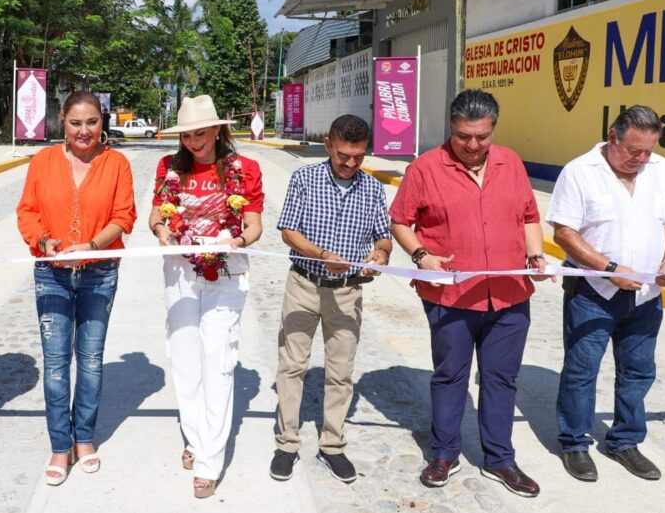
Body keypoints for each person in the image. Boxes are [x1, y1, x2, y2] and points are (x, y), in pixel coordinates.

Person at [389, 89, 549, 498]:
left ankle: (500, 458)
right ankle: (444, 453)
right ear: (451, 129)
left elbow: (529, 215)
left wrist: (535, 254)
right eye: (464, 137)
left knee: (501, 378)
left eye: (482, 136)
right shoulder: (424, 168)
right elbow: (400, 222)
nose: (473, 145)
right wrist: (422, 256)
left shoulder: (510, 162)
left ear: (493, 129)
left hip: (510, 295)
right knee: (450, 375)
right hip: (451, 298)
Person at [548, 105, 665, 483]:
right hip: (592, 294)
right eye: (633, 151)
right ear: (613, 137)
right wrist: (609, 269)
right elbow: (564, 233)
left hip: (645, 298)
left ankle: (624, 441)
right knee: (581, 371)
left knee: (638, 372)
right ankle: (575, 443)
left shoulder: (661, 170)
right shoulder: (580, 172)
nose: (642, 159)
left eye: (648, 151)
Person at [17, 90, 136, 486]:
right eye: (75, 123)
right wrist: (45, 243)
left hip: (99, 272)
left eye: (92, 122)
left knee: (90, 359)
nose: (84, 131)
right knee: (54, 364)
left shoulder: (116, 163)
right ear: (62, 124)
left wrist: (92, 246)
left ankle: (84, 438)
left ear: (102, 123)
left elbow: (124, 216)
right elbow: (27, 212)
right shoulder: (43, 160)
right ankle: (59, 444)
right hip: (51, 272)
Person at [150, 95, 264, 499]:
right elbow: (157, 216)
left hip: (226, 272)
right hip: (180, 271)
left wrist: (235, 240)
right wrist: (164, 232)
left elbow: (253, 225)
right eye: (187, 135)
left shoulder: (243, 169)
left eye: (200, 133)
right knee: (184, 359)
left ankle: (209, 461)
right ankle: (195, 437)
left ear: (217, 130)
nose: (193, 141)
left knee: (217, 361)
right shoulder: (169, 168)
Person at [269, 114, 392, 484]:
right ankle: (287, 443)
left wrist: (381, 255)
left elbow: (383, 236)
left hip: (348, 292)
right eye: (343, 156)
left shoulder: (372, 188)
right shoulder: (304, 179)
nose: (351, 163)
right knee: (292, 365)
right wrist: (322, 256)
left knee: (340, 372)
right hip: (304, 284)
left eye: (358, 156)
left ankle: (332, 444)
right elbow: (288, 231)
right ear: (328, 145)